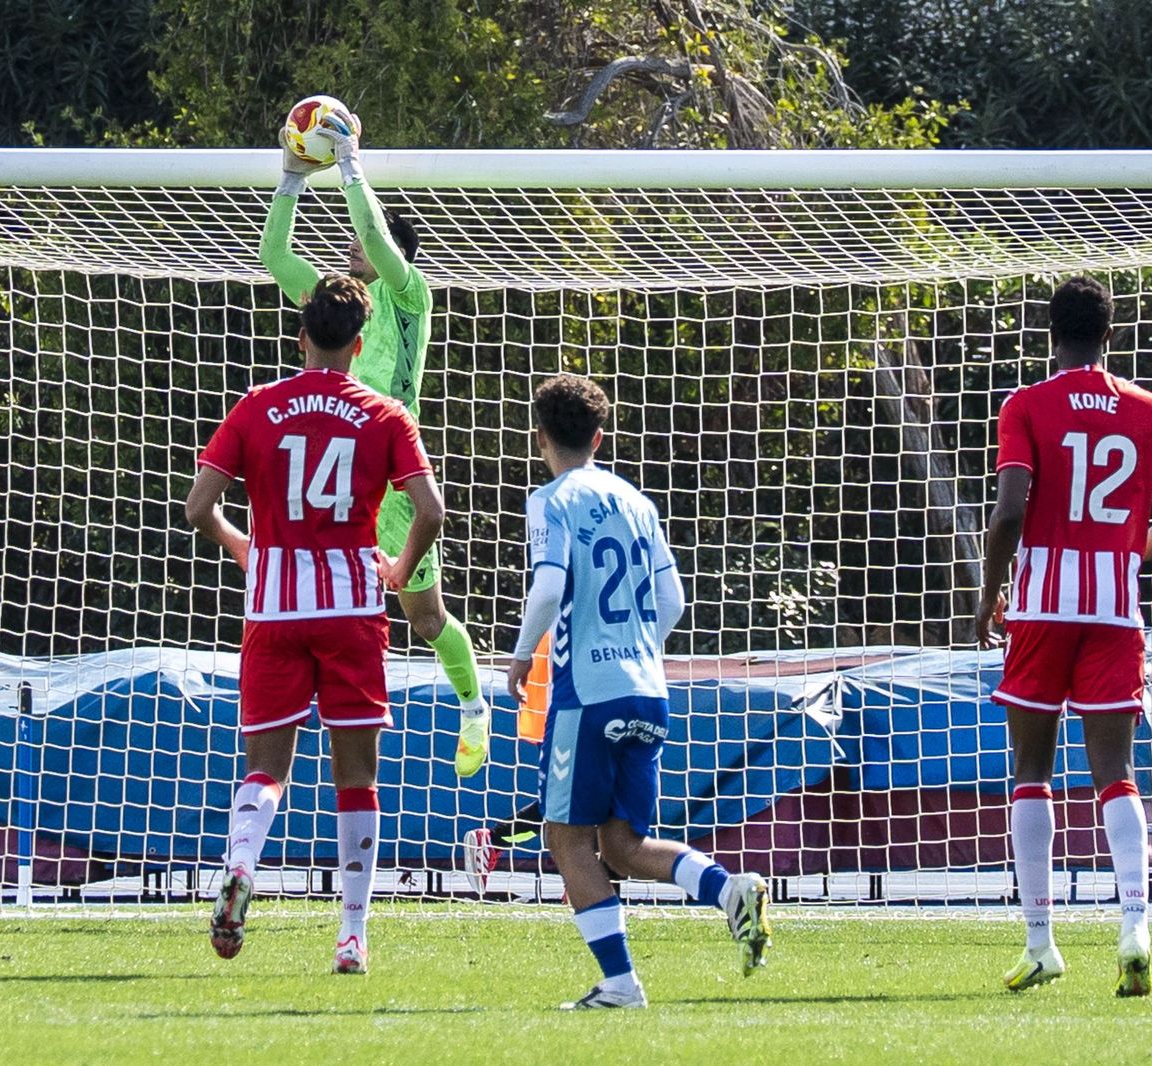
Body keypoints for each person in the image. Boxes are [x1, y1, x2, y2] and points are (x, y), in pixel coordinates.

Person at [186, 274, 444, 976]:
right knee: (355, 774)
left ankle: (241, 864)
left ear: (301, 338)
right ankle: (351, 936)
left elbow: (197, 504)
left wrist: (245, 547)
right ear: (359, 346)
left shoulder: (258, 406)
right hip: (352, 607)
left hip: (274, 607)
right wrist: (399, 569)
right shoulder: (384, 413)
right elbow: (431, 510)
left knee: (266, 768)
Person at [506, 374, 772, 1010]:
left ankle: (621, 983)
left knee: (565, 837)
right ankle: (729, 889)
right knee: (622, 845)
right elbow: (673, 599)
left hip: (587, 693)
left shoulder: (552, 499)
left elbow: (547, 589)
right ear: (599, 437)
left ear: (539, 437)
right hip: (647, 688)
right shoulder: (637, 502)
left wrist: (521, 656)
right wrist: (632, 647)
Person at [976, 275, 1152, 998]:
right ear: (1109, 334)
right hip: (1113, 612)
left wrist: (988, 596)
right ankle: (1135, 923)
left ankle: (1041, 942)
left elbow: (1010, 513)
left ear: (1049, 334)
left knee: (1031, 773)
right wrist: (1123, 552)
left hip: (1041, 610)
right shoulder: (1150, 411)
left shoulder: (1027, 405)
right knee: (1115, 772)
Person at [261, 101, 489, 778]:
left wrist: (351, 165)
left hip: (396, 475)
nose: (351, 244)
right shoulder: (341, 300)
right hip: (338, 475)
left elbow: (378, 238)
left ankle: (475, 708)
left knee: (424, 618)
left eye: (364, 238)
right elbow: (274, 254)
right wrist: (293, 177)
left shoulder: (409, 292)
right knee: (323, 609)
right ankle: (316, 744)